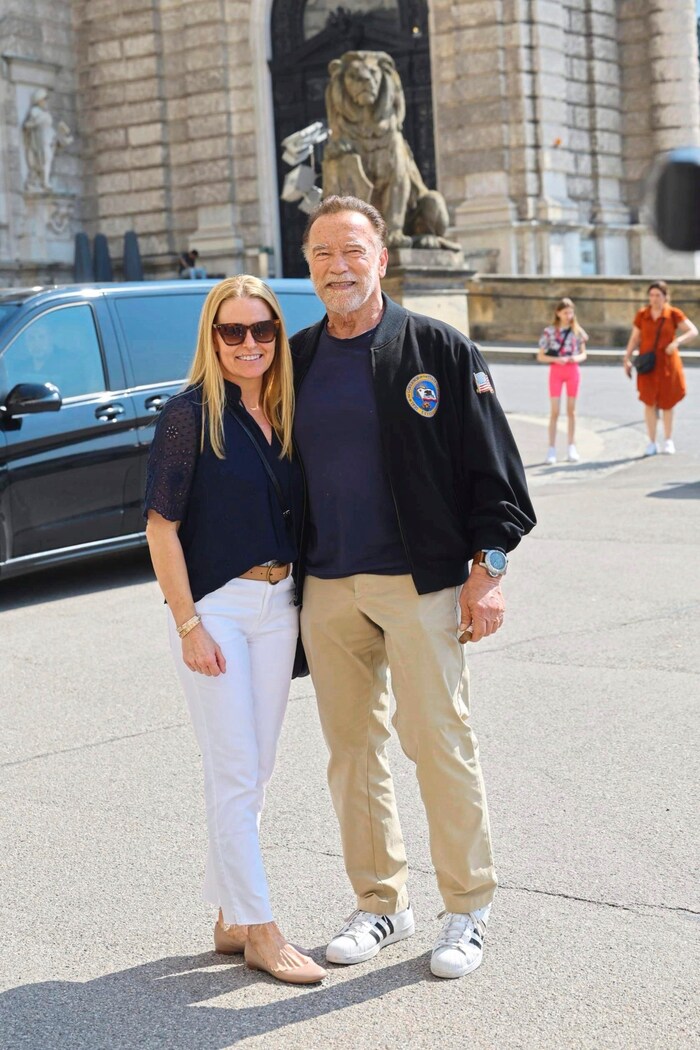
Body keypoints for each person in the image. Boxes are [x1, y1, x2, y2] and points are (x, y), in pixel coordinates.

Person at [291, 195, 536, 980]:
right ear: (308, 265)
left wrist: (487, 571)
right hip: (328, 588)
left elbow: (496, 473)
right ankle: (381, 903)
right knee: (352, 752)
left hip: (420, 583)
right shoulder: (295, 359)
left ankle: (467, 909)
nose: (338, 267)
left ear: (382, 259)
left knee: (439, 745)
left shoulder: (439, 349)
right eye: (323, 254)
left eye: (353, 251)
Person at [144, 275, 326, 985]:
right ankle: (261, 929)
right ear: (213, 338)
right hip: (215, 609)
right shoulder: (188, 415)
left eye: (262, 329)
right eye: (233, 331)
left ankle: (228, 915)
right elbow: (161, 529)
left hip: (279, 607)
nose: (249, 343)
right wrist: (188, 624)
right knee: (235, 770)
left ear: (277, 335)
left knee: (255, 769)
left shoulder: (286, 411)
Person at [622, 280, 697, 456]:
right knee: (649, 402)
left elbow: (693, 331)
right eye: (651, 295)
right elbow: (635, 338)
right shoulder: (642, 314)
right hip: (648, 364)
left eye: (658, 295)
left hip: (667, 364)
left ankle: (668, 439)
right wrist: (627, 358)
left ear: (665, 296)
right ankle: (652, 441)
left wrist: (677, 342)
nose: (654, 299)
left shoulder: (673, 314)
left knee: (667, 403)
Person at [536, 297, 588, 465]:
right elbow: (540, 356)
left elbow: (584, 354)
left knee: (571, 411)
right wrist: (556, 359)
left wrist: (574, 358)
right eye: (565, 312)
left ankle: (571, 446)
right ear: (558, 313)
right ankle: (551, 449)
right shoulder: (549, 332)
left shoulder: (577, 331)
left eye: (571, 312)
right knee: (555, 411)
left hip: (572, 370)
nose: (568, 316)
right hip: (556, 371)